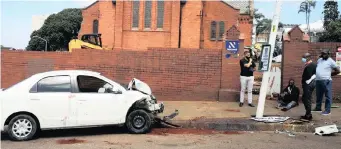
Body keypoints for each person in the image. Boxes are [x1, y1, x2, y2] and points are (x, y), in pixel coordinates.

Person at [313, 49, 341, 115]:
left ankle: (327, 110)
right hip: (318, 80)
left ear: (328, 54)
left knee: (328, 96)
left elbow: (338, 71)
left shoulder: (331, 61)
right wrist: (319, 57)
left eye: (325, 54)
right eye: (322, 53)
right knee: (318, 95)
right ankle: (318, 108)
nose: (323, 55)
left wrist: (330, 75)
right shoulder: (319, 60)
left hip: (327, 80)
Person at [300, 53, 317, 121]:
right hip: (309, 83)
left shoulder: (311, 65)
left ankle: (308, 115)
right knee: (305, 98)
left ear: (308, 58)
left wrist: (306, 81)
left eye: (304, 57)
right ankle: (307, 113)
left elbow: (308, 76)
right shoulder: (310, 65)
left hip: (308, 84)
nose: (303, 59)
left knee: (307, 99)